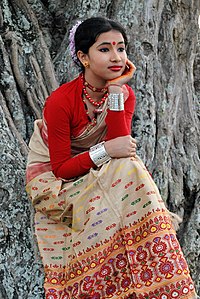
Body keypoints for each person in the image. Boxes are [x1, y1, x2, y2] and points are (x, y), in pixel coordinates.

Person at [26, 17, 197, 299]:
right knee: (127, 168)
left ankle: (163, 275)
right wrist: (105, 150)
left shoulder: (124, 95)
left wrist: (116, 92)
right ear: (83, 57)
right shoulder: (61, 100)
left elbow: (121, 146)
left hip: (99, 172)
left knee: (128, 166)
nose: (116, 57)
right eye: (105, 49)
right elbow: (61, 169)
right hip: (54, 184)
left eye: (121, 48)